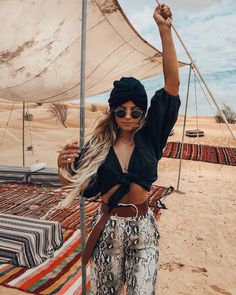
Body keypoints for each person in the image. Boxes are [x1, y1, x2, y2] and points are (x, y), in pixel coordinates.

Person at [57, 3, 180, 294]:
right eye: (121, 111)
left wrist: (164, 31)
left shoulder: (151, 136)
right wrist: (62, 166)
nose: (128, 117)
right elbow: (76, 187)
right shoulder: (98, 145)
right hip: (108, 229)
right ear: (113, 112)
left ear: (143, 113)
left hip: (143, 229)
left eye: (135, 111)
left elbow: (172, 85)